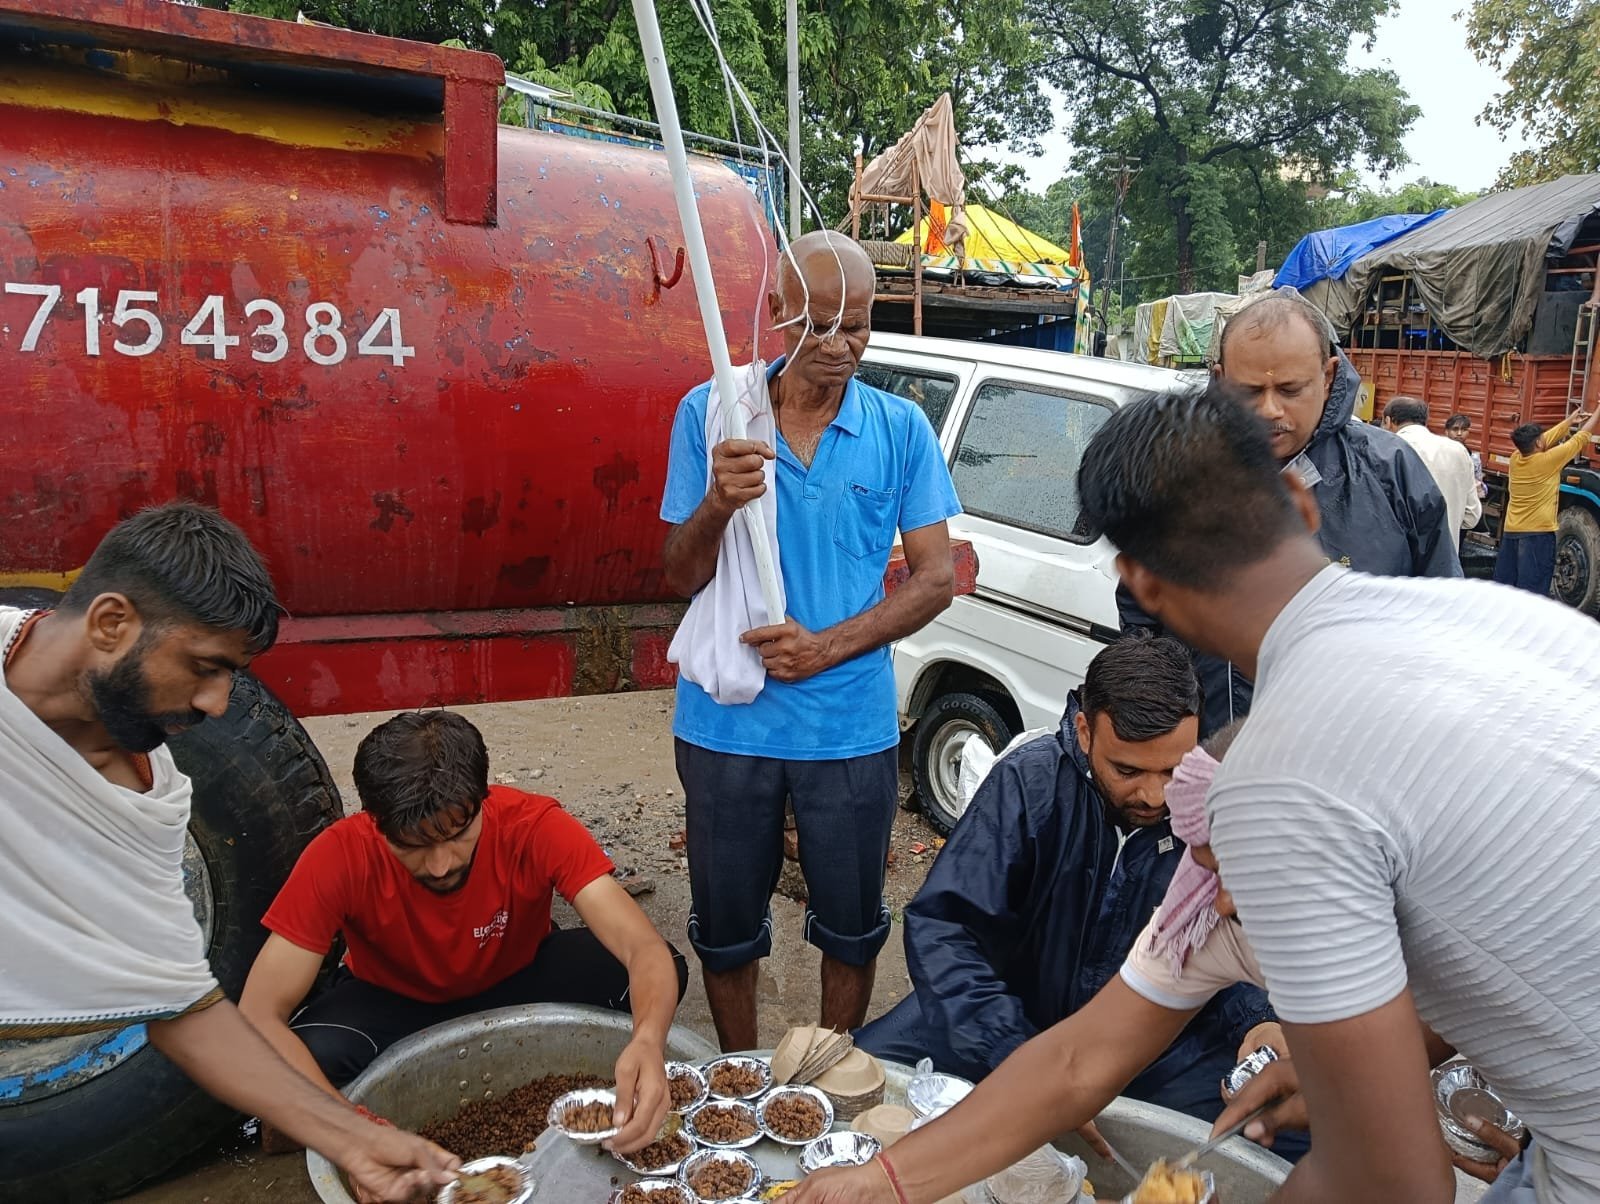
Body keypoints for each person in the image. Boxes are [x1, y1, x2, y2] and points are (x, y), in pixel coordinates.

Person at [0, 503, 456, 1202]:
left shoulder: (146, 792)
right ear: (111, 623)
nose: (218, 704)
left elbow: (181, 1002)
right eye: (204, 668)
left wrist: (355, 1140)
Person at [659, 231, 961, 1051]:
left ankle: (828, 1074)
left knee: (852, 924)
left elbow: (935, 578)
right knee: (726, 923)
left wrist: (823, 649)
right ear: (777, 312)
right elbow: (679, 575)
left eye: (856, 326)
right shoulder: (713, 414)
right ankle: (740, 1074)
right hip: (727, 722)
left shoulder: (900, 428)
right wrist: (719, 502)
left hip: (848, 726)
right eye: (818, 324)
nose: (838, 345)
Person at [854, 635, 1286, 1141]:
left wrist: (1258, 1021)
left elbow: (1223, 942)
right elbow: (944, 931)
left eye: (1174, 769)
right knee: (863, 1075)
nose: (1156, 795)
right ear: (1084, 731)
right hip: (1006, 1018)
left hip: (1148, 1048)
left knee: (1280, 1126)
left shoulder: (1208, 804)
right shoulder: (1027, 784)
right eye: (1128, 770)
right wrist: (1025, 1061)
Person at [240, 709, 688, 1154]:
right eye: (412, 845)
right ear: (376, 822)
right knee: (305, 1053)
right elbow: (258, 1015)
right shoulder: (339, 855)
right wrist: (352, 1133)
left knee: (660, 969)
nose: (440, 865)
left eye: (458, 834)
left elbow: (643, 949)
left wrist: (649, 1042)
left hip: (518, 980)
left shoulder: (533, 825)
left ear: (482, 800)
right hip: (394, 1001)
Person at [1120, 290, 1459, 736]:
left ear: (1328, 376)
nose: (1270, 410)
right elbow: (1142, 623)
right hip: (1217, 752)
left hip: (1357, 751)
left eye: (1290, 390)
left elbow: (1445, 621)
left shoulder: (1390, 473)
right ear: (1220, 381)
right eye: (1249, 392)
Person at [1495, 410, 1600, 595]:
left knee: (1508, 591)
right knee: (1533, 593)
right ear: (1537, 443)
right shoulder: (1548, 461)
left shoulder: (1516, 458)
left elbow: (1545, 439)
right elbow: (1580, 438)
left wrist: (1569, 421)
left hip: (1512, 533)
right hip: (1537, 536)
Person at [1382, 395, 1481, 536]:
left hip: (1399, 546)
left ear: (1388, 421)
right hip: (1446, 546)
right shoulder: (1459, 451)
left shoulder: (1386, 448)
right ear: (1424, 420)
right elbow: (1471, 516)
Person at [1444, 413, 1488, 504]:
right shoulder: (1438, 454)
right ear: (1447, 432)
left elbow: (1480, 486)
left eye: (1464, 430)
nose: (1459, 433)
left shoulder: (1473, 458)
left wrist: (1480, 488)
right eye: (1455, 429)